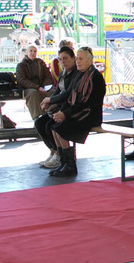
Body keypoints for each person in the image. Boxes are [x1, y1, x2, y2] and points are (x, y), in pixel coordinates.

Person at [38, 46, 105, 177]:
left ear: (89, 61)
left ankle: (70, 165)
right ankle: (64, 162)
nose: (78, 62)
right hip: (78, 111)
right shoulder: (78, 74)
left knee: (60, 129)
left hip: (90, 114)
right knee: (53, 126)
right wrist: (61, 112)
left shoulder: (94, 77)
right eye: (77, 59)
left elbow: (85, 102)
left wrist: (65, 114)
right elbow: (69, 95)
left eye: (81, 59)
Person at [39, 46, 77, 168]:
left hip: (68, 108)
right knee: (39, 122)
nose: (63, 62)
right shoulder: (63, 72)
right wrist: (48, 101)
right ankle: (53, 151)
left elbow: (67, 93)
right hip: (60, 106)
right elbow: (57, 90)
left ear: (73, 58)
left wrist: (50, 99)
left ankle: (61, 156)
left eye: (65, 58)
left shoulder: (76, 74)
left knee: (50, 126)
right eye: (60, 59)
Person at [15, 44, 56, 121]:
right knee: (33, 93)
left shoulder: (41, 63)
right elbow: (22, 80)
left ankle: (52, 115)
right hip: (29, 88)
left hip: (42, 87)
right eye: (30, 51)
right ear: (27, 52)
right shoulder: (21, 65)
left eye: (35, 51)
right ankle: (36, 118)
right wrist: (37, 87)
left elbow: (47, 76)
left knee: (53, 92)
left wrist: (45, 86)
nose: (32, 53)